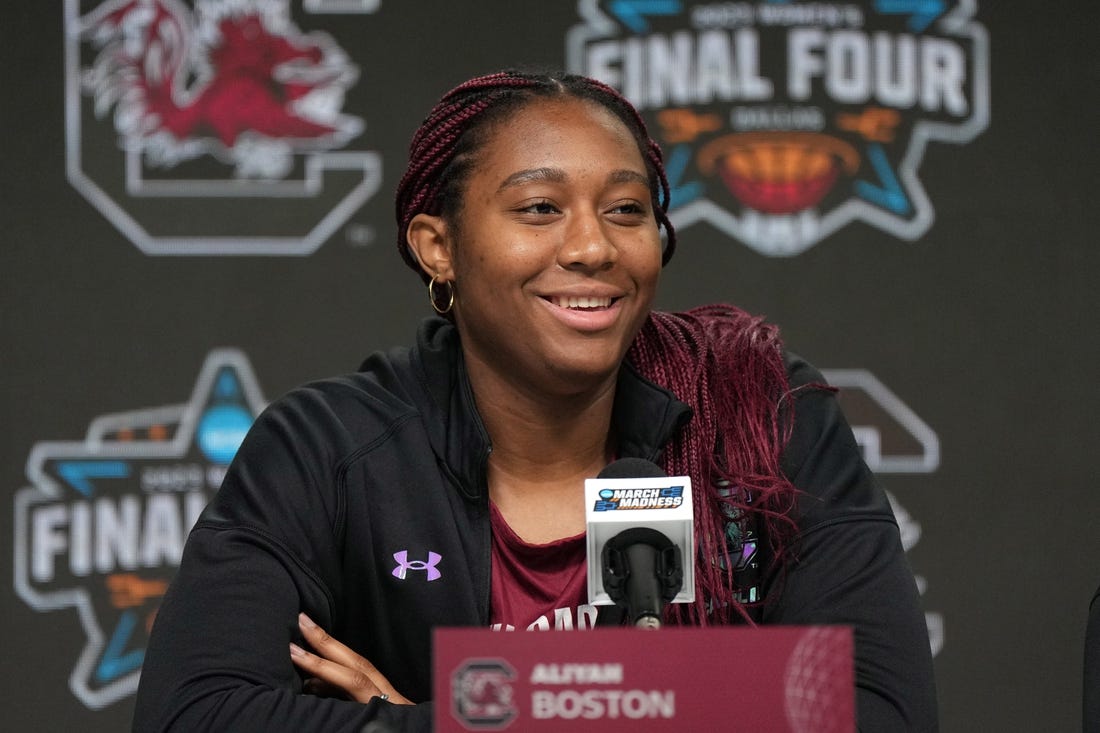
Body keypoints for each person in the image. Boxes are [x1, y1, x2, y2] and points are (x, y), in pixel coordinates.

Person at [133, 70, 938, 732]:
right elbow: (193, 714)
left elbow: (880, 712)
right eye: (540, 208)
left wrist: (452, 716)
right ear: (438, 246)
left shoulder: (762, 414)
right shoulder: (327, 447)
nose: (592, 247)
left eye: (626, 210)